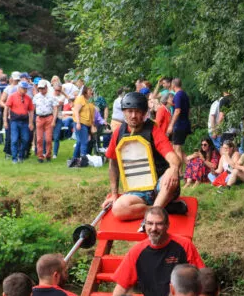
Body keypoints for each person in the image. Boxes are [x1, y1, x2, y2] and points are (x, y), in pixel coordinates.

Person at [102, 92, 184, 221]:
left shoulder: (153, 130)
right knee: (118, 209)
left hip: (160, 187)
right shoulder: (119, 133)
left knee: (170, 172)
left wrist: (174, 169)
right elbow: (113, 164)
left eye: (138, 111)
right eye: (130, 111)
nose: (133, 116)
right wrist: (114, 195)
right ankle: (160, 208)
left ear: (145, 112)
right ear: (124, 112)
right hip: (137, 191)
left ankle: (152, 216)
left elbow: (173, 157)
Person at [112, 207, 205, 296]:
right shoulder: (136, 252)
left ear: (167, 225)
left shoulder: (184, 246)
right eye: (150, 223)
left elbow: (202, 279)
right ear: (144, 225)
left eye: (159, 224)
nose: (154, 228)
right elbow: (121, 287)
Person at [3, 81, 34, 164]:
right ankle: (14, 158)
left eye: (26, 89)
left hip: (24, 121)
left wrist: (31, 122)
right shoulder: (12, 96)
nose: (25, 90)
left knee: (26, 139)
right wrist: (5, 121)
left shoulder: (28, 98)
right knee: (14, 140)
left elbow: (31, 111)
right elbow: (6, 108)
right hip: (14, 121)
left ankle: (20, 156)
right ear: (19, 88)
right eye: (24, 88)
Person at [33, 80, 58, 162]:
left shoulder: (52, 96)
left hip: (48, 117)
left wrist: (54, 120)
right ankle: (40, 156)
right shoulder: (36, 97)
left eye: (43, 88)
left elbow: (55, 109)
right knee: (39, 139)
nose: (41, 90)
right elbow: (33, 108)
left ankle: (48, 155)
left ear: (46, 88)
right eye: (40, 88)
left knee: (48, 139)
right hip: (39, 117)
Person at [166, 78, 191, 162]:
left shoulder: (178, 95)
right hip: (185, 123)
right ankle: (190, 165)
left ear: (173, 85)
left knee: (176, 149)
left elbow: (177, 111)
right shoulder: (184, 95)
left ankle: (179, 173)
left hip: (179, 125)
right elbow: (188, 110)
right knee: (177, 148)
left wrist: (171, 125)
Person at [71, 85, 95, 164]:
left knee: (79, 142)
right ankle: (83, 159)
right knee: (84, 141)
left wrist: (92, 125)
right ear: (85, 91)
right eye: (89, 90)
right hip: (81, 123)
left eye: (91, 90)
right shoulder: (80, 99)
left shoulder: (90, 100)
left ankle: (75, 159)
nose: (91, 91)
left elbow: (92, 114)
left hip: (87, 124)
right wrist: (78, 123)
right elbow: (76, 111)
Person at [52, 83, 66, 158]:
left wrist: (63, 93)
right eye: (56, 90)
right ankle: (45, 152)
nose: (58, 92)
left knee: (56, 136)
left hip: (59, 117)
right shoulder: (50, 95)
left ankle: (55, 153)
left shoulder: (62, 97)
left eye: (59, 90)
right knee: (47, 136)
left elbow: (56, 105)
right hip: (50, 117)